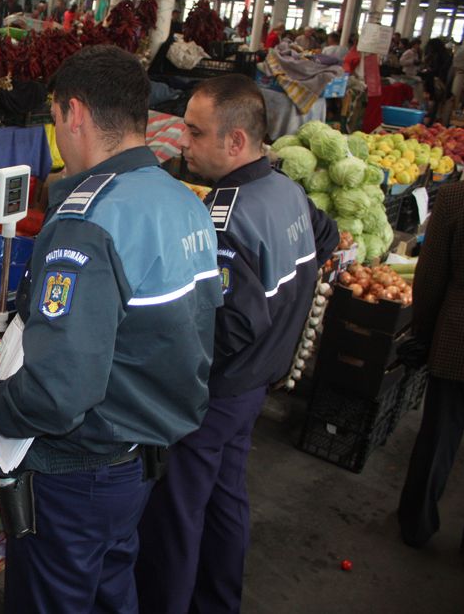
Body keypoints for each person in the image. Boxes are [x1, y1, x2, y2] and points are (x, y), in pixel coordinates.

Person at [0, 45, 222, 614]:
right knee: (110, 592)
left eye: (54, 119)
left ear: (73, 113)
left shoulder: (89, 220)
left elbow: (60, 392)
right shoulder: (187, 204)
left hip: (76, 472)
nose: (57, 132)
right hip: (139, 458)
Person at [136, 74, 339, 614]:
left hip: (218, 395)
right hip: (257, 385)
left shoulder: (226, 217)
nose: (184, 144)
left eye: (196, 133)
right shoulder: (286, 190)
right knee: (225, 501)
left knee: (176, 515)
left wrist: (173, 372)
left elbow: (231, 326)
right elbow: (328, 238)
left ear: (236, 141)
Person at [397, 180, 464, 561]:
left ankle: (416, 524)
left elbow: (430, 276)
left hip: (461, 337)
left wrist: (423, 333)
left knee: (439, 434)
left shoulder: (460, 197)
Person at [451, 37, 464, 110]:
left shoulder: (463, 48)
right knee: (455, 93)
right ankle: (454, 108)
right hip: (459, 72)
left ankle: (454, 107)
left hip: (459, 72)